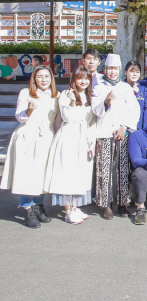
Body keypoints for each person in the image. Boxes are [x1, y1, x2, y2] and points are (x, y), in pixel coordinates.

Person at [0, 65, 59, 228]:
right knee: (26, 174)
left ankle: (38, 206)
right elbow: (19, 116)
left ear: (51, 78)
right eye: (39, 77)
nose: (43, 80)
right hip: (28, 136)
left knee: (42, 174)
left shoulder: (56, 96)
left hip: (46, 137)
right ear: (34, 78)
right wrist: (29, 110)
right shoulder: (25, 93)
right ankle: (27, 208)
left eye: (47, 76)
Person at [44, 66, 96, 224]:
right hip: (68, 137)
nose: (83, 81)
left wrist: (91, 142)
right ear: (73, 79)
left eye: (86, 78)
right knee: (67, 173)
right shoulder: (66, 95)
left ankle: (74, 206)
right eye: (80, 78)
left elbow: (91, 121)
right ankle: (68, 211)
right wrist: (72, 103)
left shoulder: (89, 96)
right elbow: (66, 116)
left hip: (83, 138)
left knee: (79, 173)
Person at [91, 54, 140, 219]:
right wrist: (106, 101)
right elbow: (96, 111)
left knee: (123, 168)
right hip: (104, 131)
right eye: (110, 68)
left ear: (120, 70)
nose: (112, 72)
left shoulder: (126, 88)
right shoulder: (98, 87)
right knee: (104, 169)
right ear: (105, 69)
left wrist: (124, 127)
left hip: (122, 132)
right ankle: (106, 204)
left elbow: (134, 110)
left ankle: (123, 203)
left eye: (115, 69)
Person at [124, 60, 147, 131]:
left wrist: (145, 129)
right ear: (125, 72)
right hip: (123, 129)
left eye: (137, 72)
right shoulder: (120, 87)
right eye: (132, 71)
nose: (135, 74)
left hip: (139, 129)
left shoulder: (143, 90)